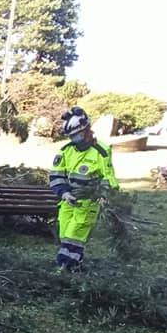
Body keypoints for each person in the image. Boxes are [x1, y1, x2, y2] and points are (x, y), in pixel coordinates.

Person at [49, 107, 119, 270]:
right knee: (65, 235)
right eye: (71, 136)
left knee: (75, 236)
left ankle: (65, 267)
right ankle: (74, 266)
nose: (74, 138)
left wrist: (103, 194)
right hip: (67, 201)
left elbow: (108, 178)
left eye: (76, 134)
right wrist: (64, 193)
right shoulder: (65, 151)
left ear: (87, 129)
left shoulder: (100, 151)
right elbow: (56, 175)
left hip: (88, 203)